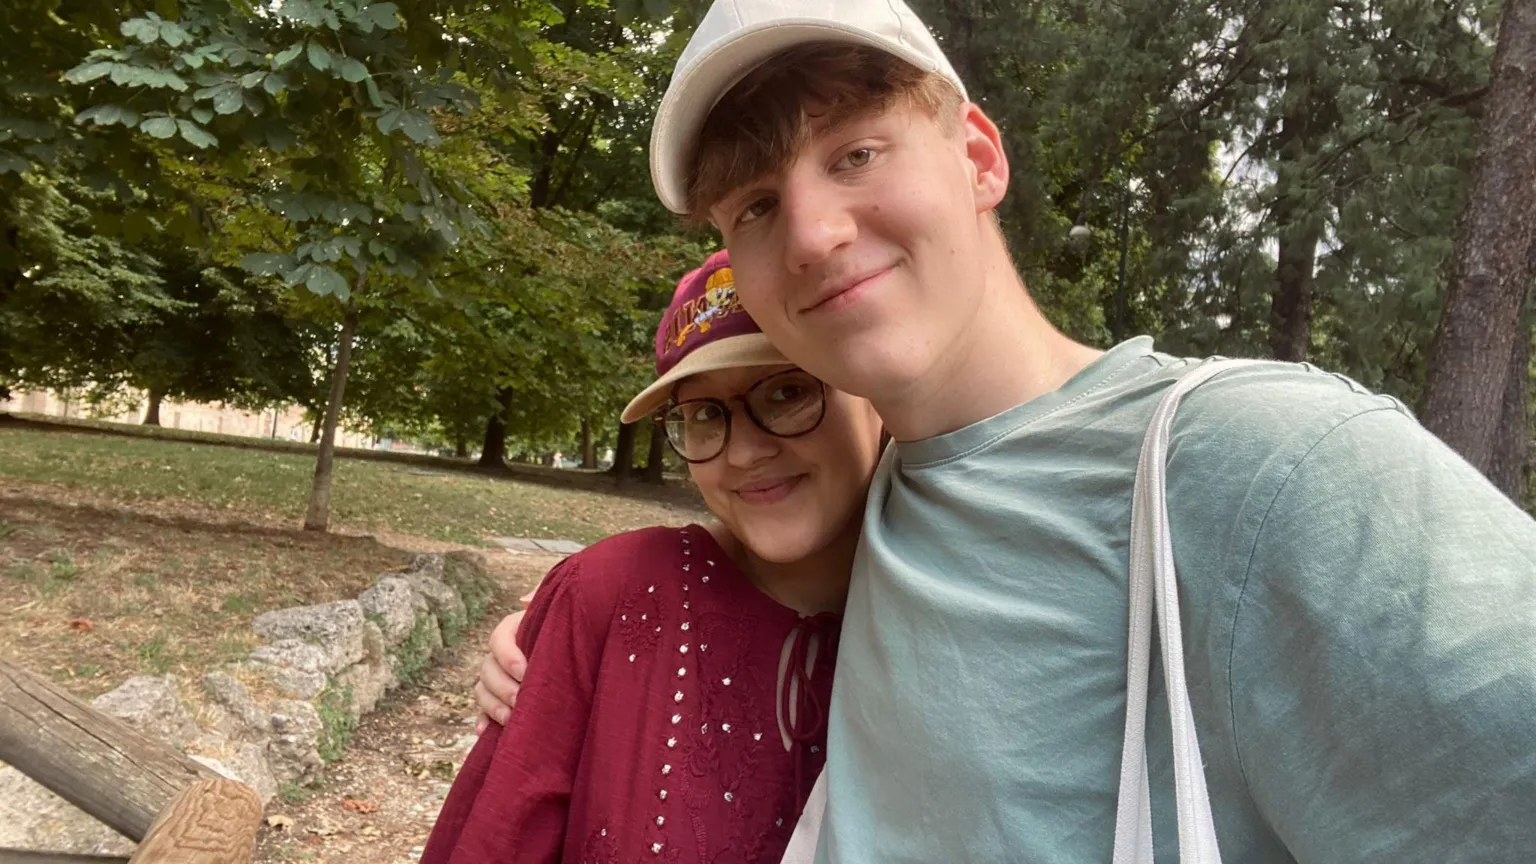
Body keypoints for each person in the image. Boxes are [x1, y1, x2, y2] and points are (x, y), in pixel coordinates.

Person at [476, 0, 1536, 860]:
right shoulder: (880, 499)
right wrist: (580, 624)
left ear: (979, 158)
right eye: (753, 206)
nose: (810, 232)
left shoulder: (1271, 467)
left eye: (855, 153)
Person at [421, 250, 884, 864]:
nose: (742, 453)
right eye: (702, 414)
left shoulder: (972, 612)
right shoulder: (611, 599)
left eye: (787, 392)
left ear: (879, 394)